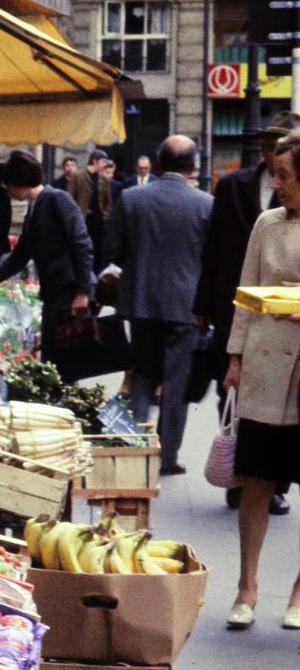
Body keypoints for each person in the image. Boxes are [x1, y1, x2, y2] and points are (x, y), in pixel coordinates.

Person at [195, 110, 300, 514]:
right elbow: (214, 247)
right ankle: (240, 474)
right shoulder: (234, 185)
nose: (276, 155)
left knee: (285, 415)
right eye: (272, 145)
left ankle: (274, 484)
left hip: (283, 327)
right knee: (235, 395)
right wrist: (203, 306)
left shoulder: (290, 190)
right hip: (238, 304)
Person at [220, 129, 300, 630]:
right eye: (275, 173)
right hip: (268, 367)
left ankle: (299, 593)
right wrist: (234, 358)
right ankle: (246, 585)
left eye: (286, 176)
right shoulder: (267, 225)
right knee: (256, 481)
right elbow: (247, 294)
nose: (276, 183)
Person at [103, 135, 212, 476]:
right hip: (185, 306)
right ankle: (166, 458)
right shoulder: (207, 204)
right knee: (177, 383)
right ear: (194, 167)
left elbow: (113, 251)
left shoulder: (132, 198)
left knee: (143, 374)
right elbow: (212, 260)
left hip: (142, 302)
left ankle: (135, 450)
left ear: (159, 163)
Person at [0, 150, 93, 381]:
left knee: (62, 365)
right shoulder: (35, 208)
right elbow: (17, 259)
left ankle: (63, 410)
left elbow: (82, 244)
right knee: (53, 362)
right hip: (55, 295)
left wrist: (83, 292)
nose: (7, 190)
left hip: (68, 295)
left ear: (21, 183)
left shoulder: (57, 199)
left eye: (9, 185)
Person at [68, 149, 116, 270]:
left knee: (97, 251)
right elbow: (69, 198)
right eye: (103, 161)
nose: (105, 164)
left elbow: (108, 202)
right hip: (81, 220)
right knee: (81, 250)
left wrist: (104, 216)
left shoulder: (103, 179)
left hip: (98, 221)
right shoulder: (77, 176)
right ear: (95, 161)